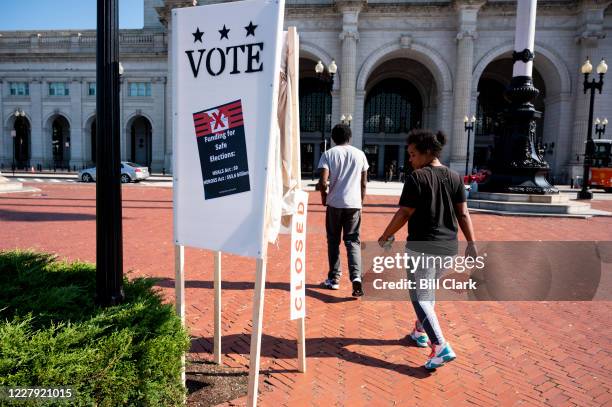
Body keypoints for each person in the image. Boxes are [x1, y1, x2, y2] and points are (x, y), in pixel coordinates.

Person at [378, 129, 477, 370]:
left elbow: (404, 212)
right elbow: (462, 213)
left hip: (422, 247)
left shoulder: (417, 178)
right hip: (448, 247)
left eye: (412, 154)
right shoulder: (454, 177)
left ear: (426, 153)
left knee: (419, 296)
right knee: (428, 290)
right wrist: (472, 243)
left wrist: (386, 234)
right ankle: (420, 331)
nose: (409, 160)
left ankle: (440, 345)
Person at [318, 124, 369, 297]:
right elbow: (363, 183)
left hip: (334, 204)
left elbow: (323, 182)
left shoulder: (328, 154)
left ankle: (334, 279)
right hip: (354, 205)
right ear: (349, 137)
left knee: (333, 241)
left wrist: (324, 198)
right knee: (353, 242)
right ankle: (356, 278)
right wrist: (360, 202)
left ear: (333, 138)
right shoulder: (360, 154)